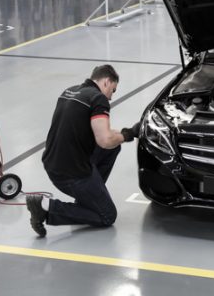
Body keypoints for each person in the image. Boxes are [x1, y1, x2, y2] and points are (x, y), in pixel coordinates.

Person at [26, 65, 141, 237]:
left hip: (53, 164)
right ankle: (46, 207)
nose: (111, 97)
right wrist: (128, 135)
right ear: (106, 81)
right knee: (107, 215)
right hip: (72, 174)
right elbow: (105, 140)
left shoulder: (69, 91)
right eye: (113, 90)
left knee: (113, 147)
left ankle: (89, 196)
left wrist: (127, 133)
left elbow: (102, 135)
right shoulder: (98, 99)